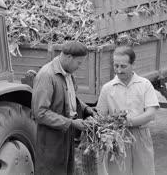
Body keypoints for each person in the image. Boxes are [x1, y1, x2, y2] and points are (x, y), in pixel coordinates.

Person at [32, 41, 96, 175]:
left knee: (66, 170)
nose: (79, 66)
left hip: (66, 134)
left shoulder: (68, 73)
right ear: (68, 58)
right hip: (51, 139)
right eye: (79, 63)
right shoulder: (47, 75)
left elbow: (71, 98)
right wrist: (71, 123)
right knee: (51, 171)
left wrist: (85, 109)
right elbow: (40, 113)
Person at [97, 45, 159, 175]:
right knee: (118, 172)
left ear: (133, 65)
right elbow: (100, 117)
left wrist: (129, 122)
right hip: (117, 138)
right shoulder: (107, 88)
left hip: (140, 136)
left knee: (144, 172)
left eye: (123, 66)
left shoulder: (144, 85)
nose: (118, 70)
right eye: (116, 66)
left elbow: (150, 114)